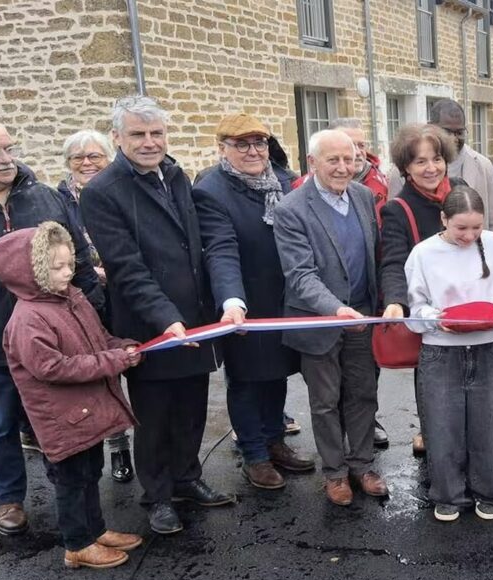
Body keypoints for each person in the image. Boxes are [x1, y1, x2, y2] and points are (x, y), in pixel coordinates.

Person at [80, 96, 241, 535]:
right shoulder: (102, 191)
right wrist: (167, 319)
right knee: (154, 415)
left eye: (157, 133)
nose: (150, 142)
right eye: (138, 134)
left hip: (194, 320)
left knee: (191, 407)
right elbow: (126, 268)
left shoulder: (175, 174)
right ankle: (157, 496)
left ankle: (187, 479)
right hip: (151, 325)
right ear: (117, 137)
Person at [0, 111, 102, 536]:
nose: (6, 158)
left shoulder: (43, 197)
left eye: (9, 147)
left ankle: (73, 506)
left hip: (54, 340)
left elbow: (79, 257)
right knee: (0, 425)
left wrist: (95, 311)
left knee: (61, 421)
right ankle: (9, 499)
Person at [0, 223, 143, 569]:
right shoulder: (28, 319)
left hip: (84, 412)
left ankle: (95, 530)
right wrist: (114, 360)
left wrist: (123, 347)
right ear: (29, 272)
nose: (68, 272)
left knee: (90, 471)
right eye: (56, 267)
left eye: (69, 263)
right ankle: (77, 544)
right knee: (71, 480)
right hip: (61, 419)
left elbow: (99, 338)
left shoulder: (71, 297)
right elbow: (53, 368)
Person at [192, 113, 314, 491]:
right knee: (246, 380)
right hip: (243, 302)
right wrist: (232, 300)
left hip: (284, 298)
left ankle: (275, 439)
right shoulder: (211, 190)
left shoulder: (282, 180)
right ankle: (254, 454)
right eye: (241, 144)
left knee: (276, 375)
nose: (252, 151)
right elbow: (220, 249)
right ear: (222, 149)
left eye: (259, 142)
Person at [274, 129, 387, 506]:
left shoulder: (364, 196)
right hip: (320, 321)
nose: (343, 168)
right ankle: (335, 473)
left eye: (350, 159)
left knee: (364, 394)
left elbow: (374, 258)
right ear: (312, 163)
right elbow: (300, 275)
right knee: (325, 401)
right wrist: (336, 309)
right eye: (333, 160)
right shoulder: (291, 209)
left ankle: (362, 464)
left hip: (363, 317)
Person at [406, 185, 493, 521]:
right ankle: (447, 494)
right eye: (460, 228)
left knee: (489, 423)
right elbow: (416, 307)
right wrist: (436, 320)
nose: (469, 236)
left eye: (476, 228)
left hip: (489, 346)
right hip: (441, 350)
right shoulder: (423, 253)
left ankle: (487, 489)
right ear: (443, 220)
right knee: (442, 424)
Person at [58, 129, 137, 484]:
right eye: (78, 157)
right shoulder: (57, 200)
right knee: (99, 378)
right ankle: (111, 446)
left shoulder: (119, 191)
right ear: (68, 164)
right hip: (82, 299)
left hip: (123, 295)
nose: (86, 163)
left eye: (95, 156)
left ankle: (131, 446)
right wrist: (90, 272)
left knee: (125, 370)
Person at [379, 124, 462, 457]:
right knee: (432, 381)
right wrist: (396, 301)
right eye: (420, 162)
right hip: (429, 313)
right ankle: (433, 436)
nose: (431, 168)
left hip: (466, 305)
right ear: (406, 169)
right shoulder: (398, 209)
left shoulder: (461, 191)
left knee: (476, 380)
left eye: (437, 159)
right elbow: (393, 262)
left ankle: (481, 443)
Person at [328, 118, 390, 449]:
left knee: (367, 372)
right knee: (332, 381)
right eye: (349, 145)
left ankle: (368, 424)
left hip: (370, 292)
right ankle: (338, 447)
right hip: (328, 303)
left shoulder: (380, 184)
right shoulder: (305, 188)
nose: (356, 152)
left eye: (360, 145)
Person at [388, 99, 493, 234]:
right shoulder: (402, 171)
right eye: (447, 132)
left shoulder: (483, 166)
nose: (454, 138)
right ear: (431, 127)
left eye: (459, 132)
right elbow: (396, 219)